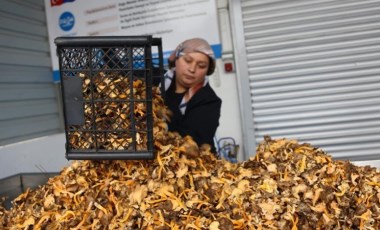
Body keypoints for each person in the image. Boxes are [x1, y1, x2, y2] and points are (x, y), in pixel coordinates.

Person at [162, 38, 222, 154]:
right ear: (176, 60)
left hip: (192, 164)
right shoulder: (157, 82)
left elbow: (191, 141)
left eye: (201, 66)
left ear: (207, 70)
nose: (192, 69)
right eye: (188, 60)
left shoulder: (209, 101)